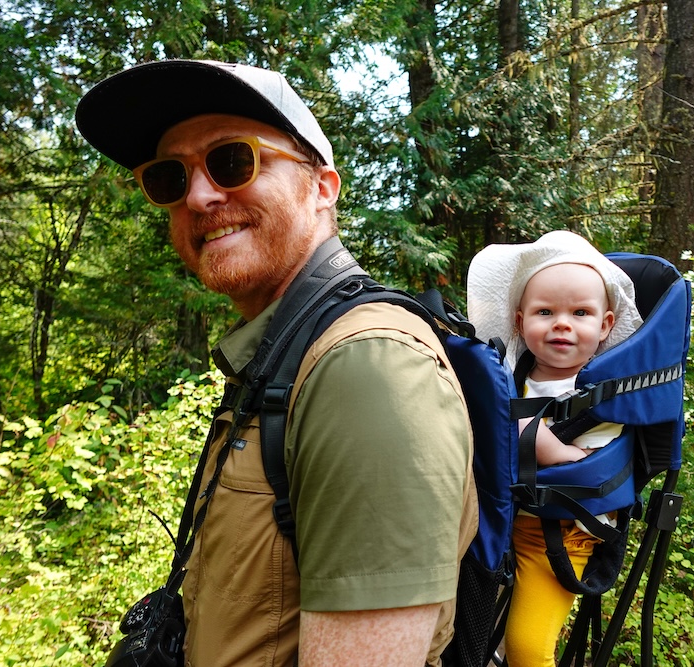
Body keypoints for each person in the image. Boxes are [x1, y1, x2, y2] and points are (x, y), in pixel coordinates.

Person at [75, 60, 478, 667]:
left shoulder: (367, 368)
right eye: (168, 177)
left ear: (321, 188)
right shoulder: (283, 354)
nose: (200, 195)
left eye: (232, 160)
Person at [466, 230, 643, 667]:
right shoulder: (510, 374)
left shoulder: (610, 388)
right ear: (520, 321)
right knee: (473, 637)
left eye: (580, 312)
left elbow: (581, 464)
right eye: (546, 311)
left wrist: (521, 423)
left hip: (561, 538)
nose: (562, 323)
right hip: (494, 525)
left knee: (528, 648)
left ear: (604, 325)